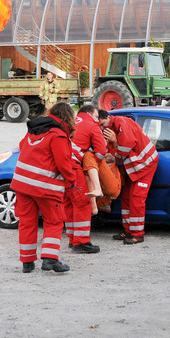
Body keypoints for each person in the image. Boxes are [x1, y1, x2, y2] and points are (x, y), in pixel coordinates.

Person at [10, 104, 76, 273]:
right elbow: (63, 163)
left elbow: (22, 146)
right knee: (54, 221)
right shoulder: (58, 135)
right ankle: (50, 259)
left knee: (26, 222)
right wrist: (72, 179)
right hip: (45, 187)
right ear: (68, 117)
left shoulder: (33, 129)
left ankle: (27, 262)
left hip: (23, 184)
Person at [100, 110, 159, 244]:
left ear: (108, 117)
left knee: (136, 198)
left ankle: (138, 234)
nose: (102, 128)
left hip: (145, 165)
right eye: (100, 126)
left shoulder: (122, 124)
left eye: (103, 124)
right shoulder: (113, 127)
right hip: (134, 167)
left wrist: (115, 144)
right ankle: (128, 230)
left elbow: (122, 153)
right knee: (126, 197)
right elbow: (118, 154)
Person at [64, 104, 108, 254]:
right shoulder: (92, 125)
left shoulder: (70, 122)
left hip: (61, 166)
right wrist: (91, 164)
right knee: (82, 202)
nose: (97, 120)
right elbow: (101, 151)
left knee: (69, 203)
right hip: (74, 167)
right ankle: (81, 242)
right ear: (89, 114)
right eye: (96, 116)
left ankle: (72, 238)